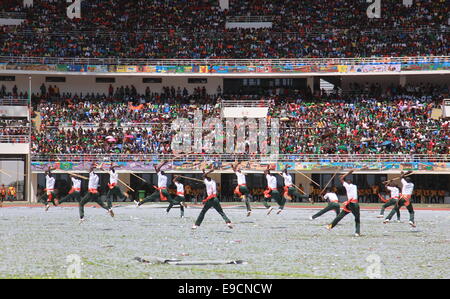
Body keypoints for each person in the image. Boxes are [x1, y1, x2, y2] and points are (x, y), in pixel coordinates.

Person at [327, 169, 361, 237]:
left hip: (350, 204)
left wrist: (347, 173)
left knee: (340, 216)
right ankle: (357, 232)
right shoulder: (355, 186)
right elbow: (342, 179)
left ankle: (330, 226)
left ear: (347, 183)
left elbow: (341, 179)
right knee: (357, 219)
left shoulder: (347, 186)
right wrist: (349, 173)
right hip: (355, 204)